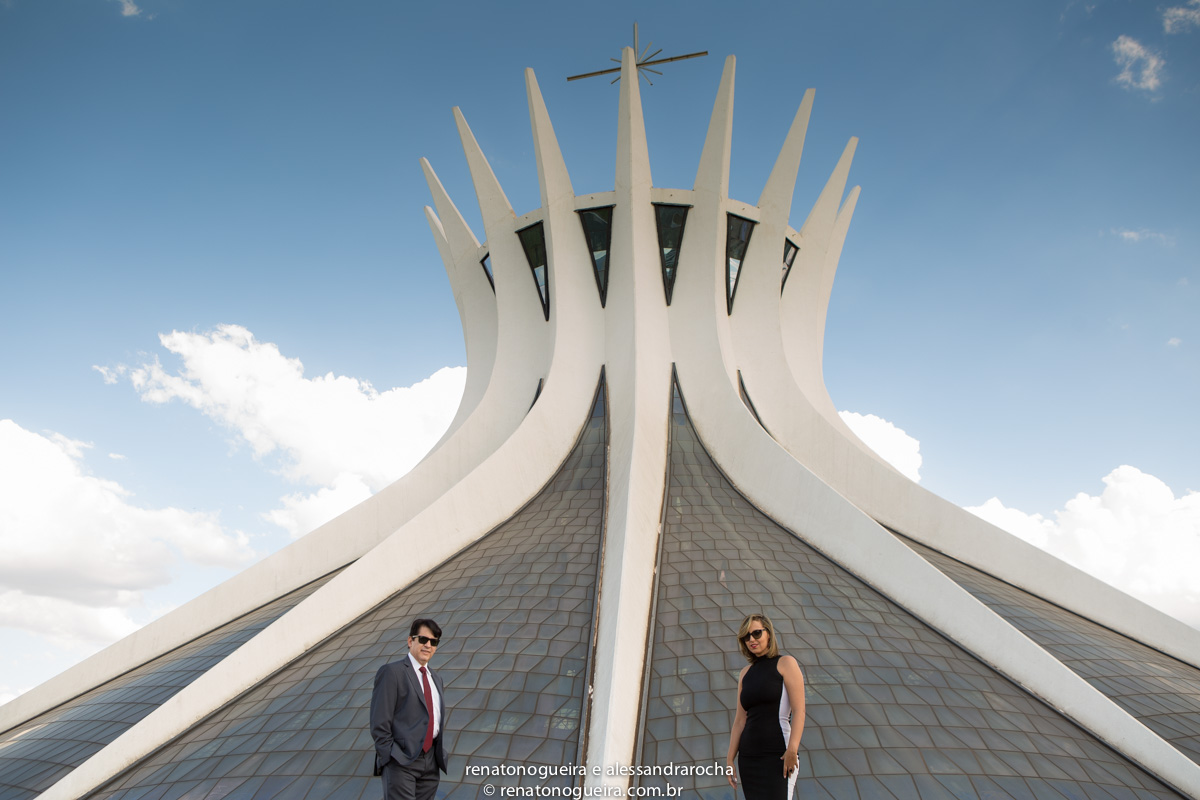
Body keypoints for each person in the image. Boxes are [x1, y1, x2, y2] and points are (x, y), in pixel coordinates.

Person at [725, 613, 805, 799]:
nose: (751, 639)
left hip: (778, 755)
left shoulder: (786, 663)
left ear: (768, 633)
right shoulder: (745, 674)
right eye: (746, 637)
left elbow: (800, 711)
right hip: (749, 759)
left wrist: (792, 749)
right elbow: (739, 721)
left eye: (757, 633)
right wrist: (730, 759)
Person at [371, 618, 448, 800]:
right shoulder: (392, 672)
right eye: (423, 639)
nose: (428, 645)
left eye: (433, 642)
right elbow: (379, 721)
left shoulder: (436, 679)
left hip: (431, 763)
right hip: (401, 761)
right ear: (410, 641)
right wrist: (390, 756)